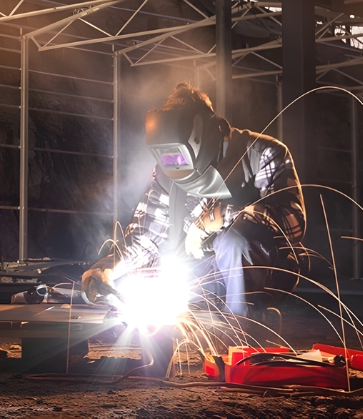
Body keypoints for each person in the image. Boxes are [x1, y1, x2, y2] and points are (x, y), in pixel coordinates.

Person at [81, 83, 305, 318]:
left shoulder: (262, 153)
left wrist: (219, 218)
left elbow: (294, 222)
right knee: (159, 275)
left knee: (231, 242)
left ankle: (241, 324)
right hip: (206, 273)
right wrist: (106, 269)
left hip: (266, 271)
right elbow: (146, 238)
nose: (177, 165)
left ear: (204, 134)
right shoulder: (168, 169)